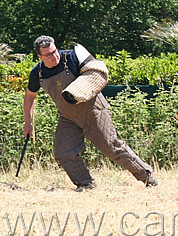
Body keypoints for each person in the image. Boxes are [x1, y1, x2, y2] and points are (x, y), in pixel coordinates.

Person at [23, 36, 158, 191]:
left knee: (111, 147)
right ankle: (85, 184)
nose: (54, 56)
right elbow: (30, 95)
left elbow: (96, 72)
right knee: (64, 152)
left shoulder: (72, 57)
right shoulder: (38, 73)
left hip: (93, 110)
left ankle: (147, 176)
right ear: (40, 56)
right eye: (48, 54)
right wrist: (28, 122)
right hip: (68, 117)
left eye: (55, 51)